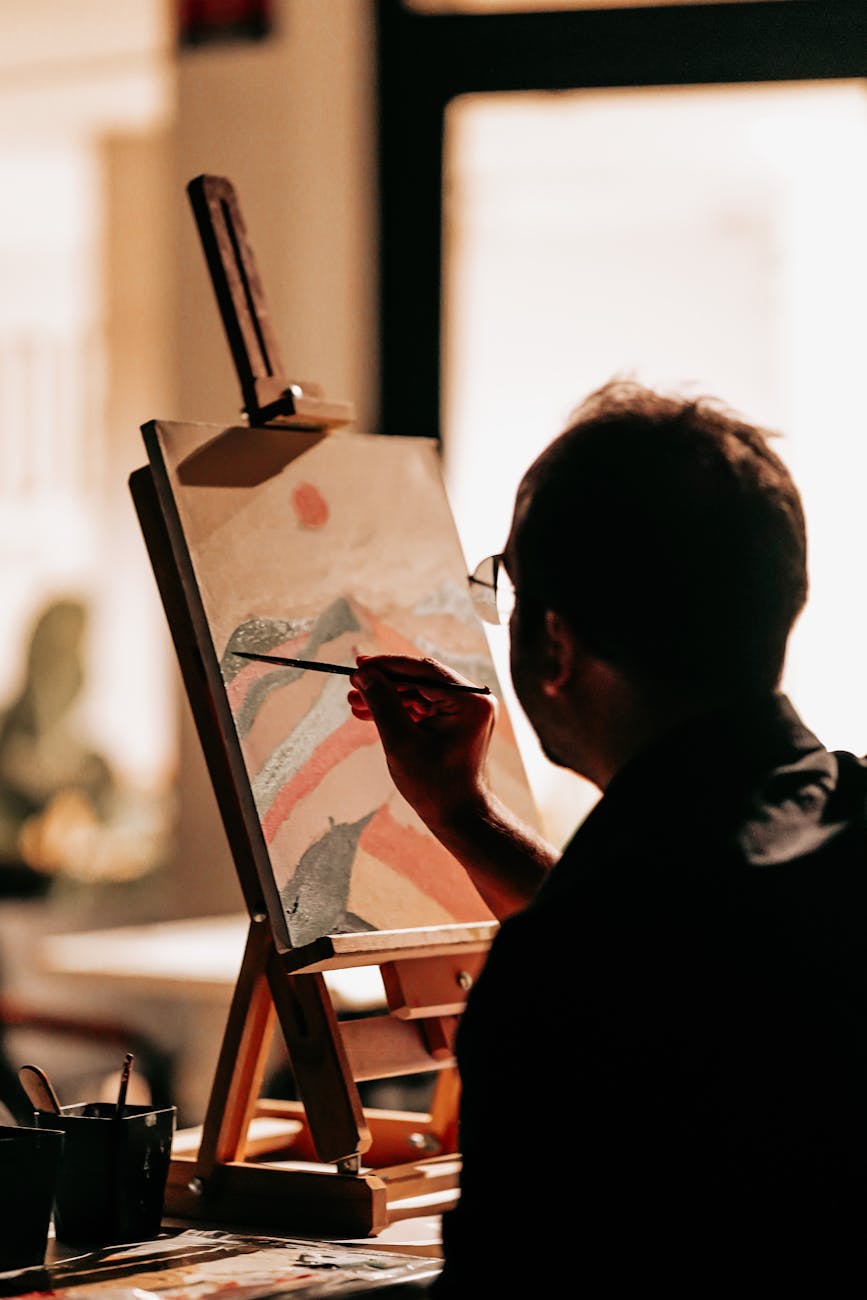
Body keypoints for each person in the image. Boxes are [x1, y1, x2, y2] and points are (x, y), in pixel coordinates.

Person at [347, 379, 867, 1293]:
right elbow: (694, 935)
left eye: (507, 589)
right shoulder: (838, 828)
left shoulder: (573, 978)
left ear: (554, 645)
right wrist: (463, 817)